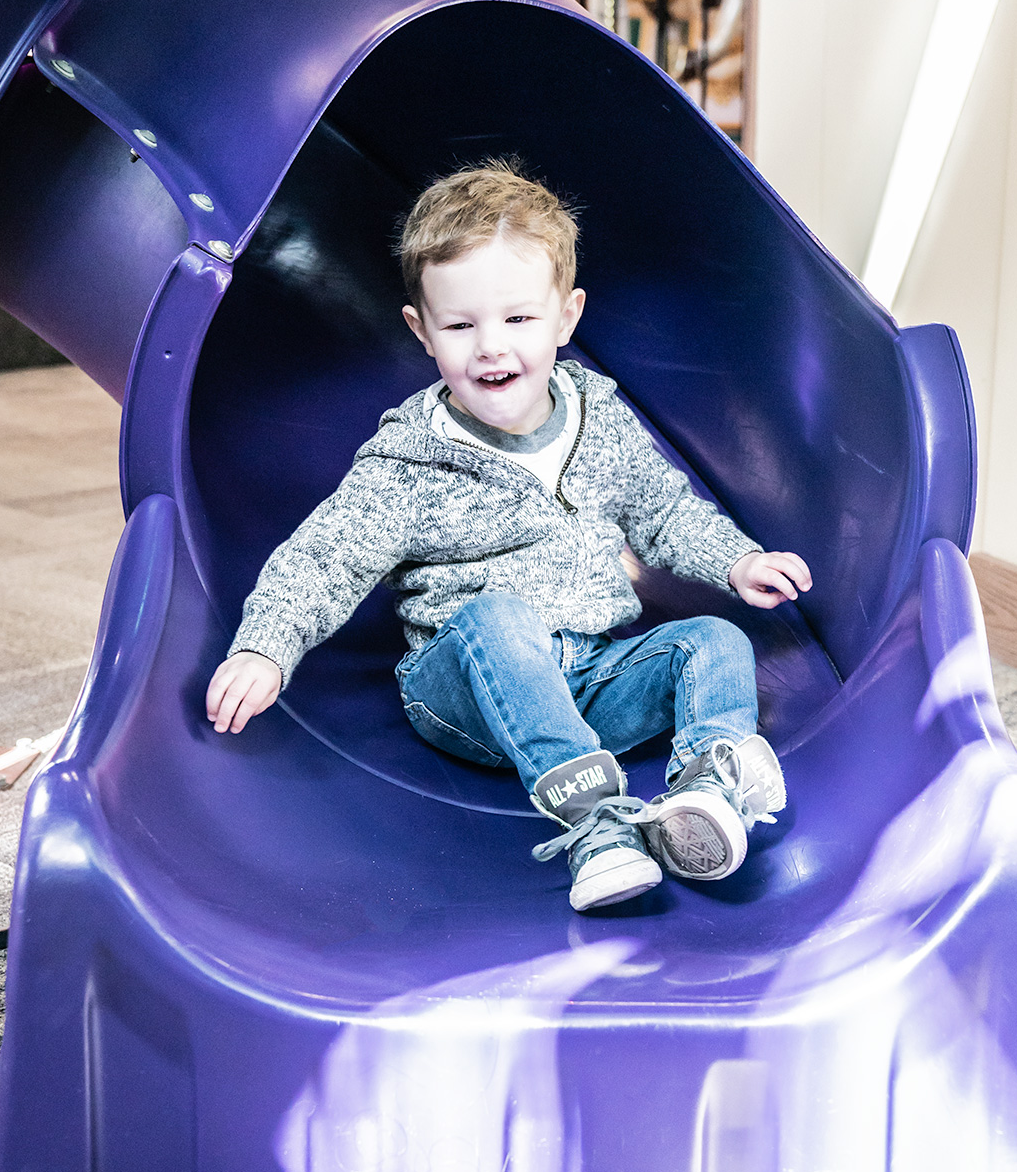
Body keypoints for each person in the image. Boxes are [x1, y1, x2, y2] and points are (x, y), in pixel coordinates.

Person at [206, 162, 812, 913]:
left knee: (715, 641)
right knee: (499, 615)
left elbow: (663, 509)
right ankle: (597, 826)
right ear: (421, 331)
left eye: (519, 319)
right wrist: (267, 644)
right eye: (461, 326)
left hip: (590, 678)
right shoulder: (411, 456)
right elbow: (327, 553)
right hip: (464, 690)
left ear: (566, 315)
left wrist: (736, 559)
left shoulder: (601, 419)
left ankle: (705, 794)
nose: (491, 346)